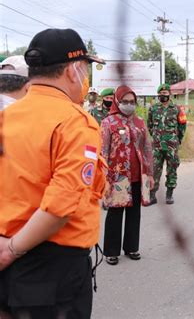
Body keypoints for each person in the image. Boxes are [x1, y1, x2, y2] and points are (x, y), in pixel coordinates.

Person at [0, 28, 106, 318]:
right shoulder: (75, 123)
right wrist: (11, 249)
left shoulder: (6, 117)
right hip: (51, 270)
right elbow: (61, 207)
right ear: (74, 70)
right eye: (86, 69)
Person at [101, 85, 154, 265]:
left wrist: (151, 175)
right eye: (125, 101)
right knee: (115, 213)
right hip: (116, 177)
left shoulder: (139, 122)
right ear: (117, 101)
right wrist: (102, 178)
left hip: (138, 175)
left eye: (132, 102)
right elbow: (103, 152)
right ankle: (111, 251)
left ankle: (131, 248)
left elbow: (147, 148)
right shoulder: (109, 122)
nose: (128, 105)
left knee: (134, 213)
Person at [148, 83, 187, 205]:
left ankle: (169, 194)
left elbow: (182, 125)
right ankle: (152, 194)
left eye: (165, 93)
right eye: (160, 93)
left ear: (169, 94)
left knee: (172, 169)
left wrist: (177, 140)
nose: (162, 95)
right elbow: (149, 125)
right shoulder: (153, 108)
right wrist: (156, 137)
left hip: (171, 145)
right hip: (157, 145)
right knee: (154, 169)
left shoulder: (177, 109)